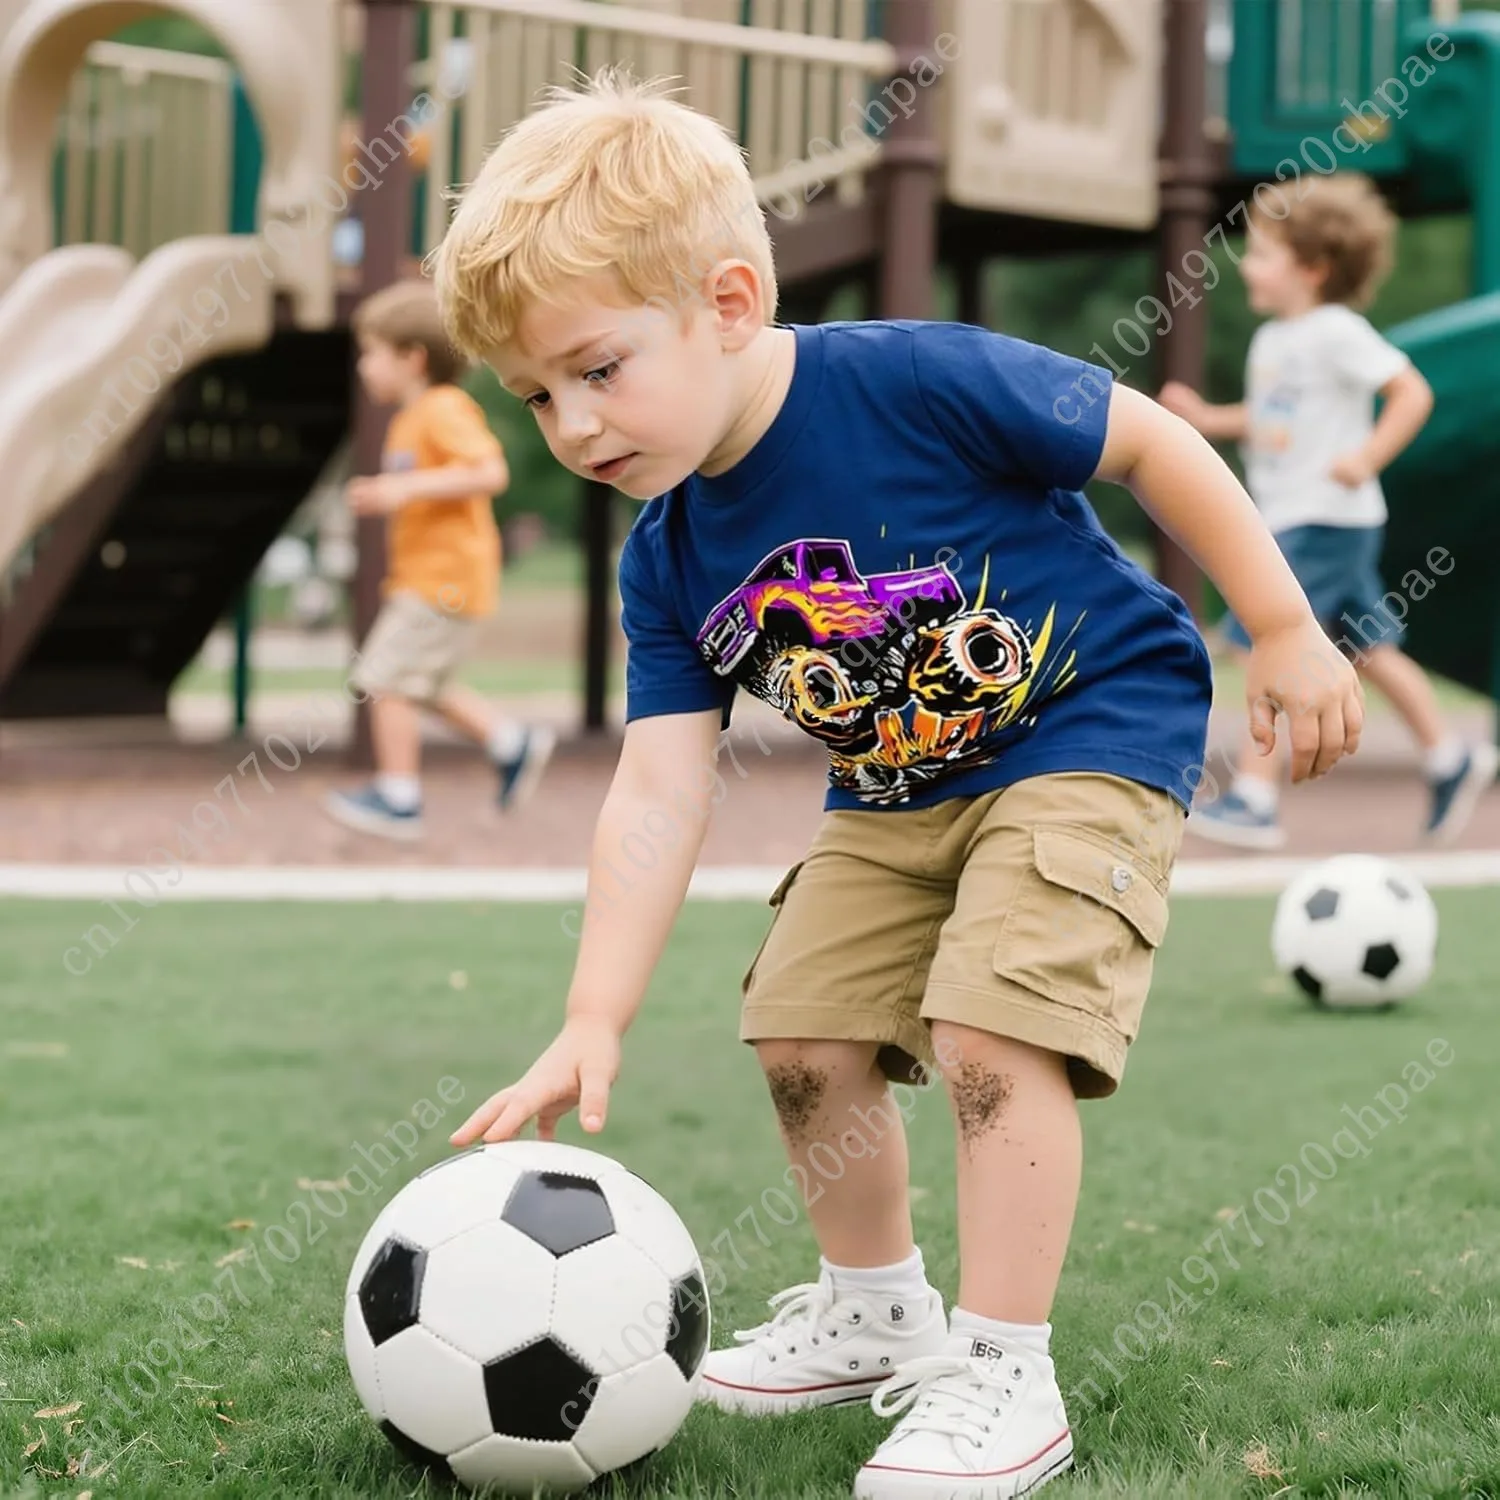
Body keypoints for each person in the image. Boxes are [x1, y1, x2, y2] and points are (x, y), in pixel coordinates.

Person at [434, 71, 1361, 1500]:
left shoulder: (912, 377)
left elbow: (1153, 442)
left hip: (1089, 725)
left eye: (600, 368)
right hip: (896, 788)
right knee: (801, 1034)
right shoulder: (666, 558)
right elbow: (657, 791)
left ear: (730, 303)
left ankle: (1004, 1369)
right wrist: (589, 1015)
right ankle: (877, 1313)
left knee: (991, 1031)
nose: (571, 423)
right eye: (535, 394)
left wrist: (1288, 628)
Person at [1160, 172, 1497, 850]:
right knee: (1369, 647)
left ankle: (1254, 796)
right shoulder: (1276, 342)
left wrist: (1368, 456)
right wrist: (1205, 419)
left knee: (1267, 634)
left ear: (1311, 267)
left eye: (1261, 253)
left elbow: (1412, 391)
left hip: (1322, 518)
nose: (1244, 265)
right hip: (1307, 516)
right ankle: (1449, 756)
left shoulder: (1336, 331)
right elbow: (1273, 418)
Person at [323, 279, 554, 841]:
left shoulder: (442, 407)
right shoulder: (409, 419)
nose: (363, 367)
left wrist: (402, 491)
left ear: (412, 359)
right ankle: (510, 743)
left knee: (382, 677)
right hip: (430, 576)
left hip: (444, 578)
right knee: (422, 683)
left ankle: (399, 799)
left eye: (371, 354)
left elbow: (489, 472)